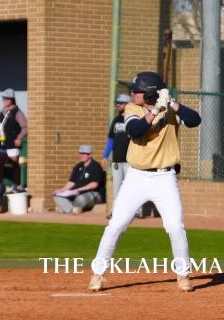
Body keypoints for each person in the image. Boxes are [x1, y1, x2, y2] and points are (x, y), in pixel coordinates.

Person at [89, 71, 201, 292]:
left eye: (137, 90)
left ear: (149, 92)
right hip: (137, 177)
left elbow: (195, 120)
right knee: (116, 225)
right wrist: (155, 112)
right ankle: (98, 274)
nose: (133, 93)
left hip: (165, 178)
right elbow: (135, 129)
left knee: (175, 227)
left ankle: (183, 275)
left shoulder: (170, 110)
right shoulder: (133, 109)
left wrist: (172, 105)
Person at [101, 93, 143, 220]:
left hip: (131, 160)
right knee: (117, 187)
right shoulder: (116, 120)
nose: (118, 105)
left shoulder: (135, 118)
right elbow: (110, 139)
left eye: (121, 103)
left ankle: (137, 211)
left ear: (128, 104)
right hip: (117, 159)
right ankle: (116, 211)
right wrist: (105, 155)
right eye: (117, 103)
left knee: (132, 185)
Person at [0, 88, 28, 195]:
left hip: (13, 144)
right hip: (2, 143)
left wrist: (19, 138)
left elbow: (25, 127)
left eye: (7, 98)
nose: (5, 100)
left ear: (12, 99)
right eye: (4, 98)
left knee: (14, 166)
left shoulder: (18, 113)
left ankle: (15, 186)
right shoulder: (1, 112)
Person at [52, 145, 104, 214]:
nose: (81, 155)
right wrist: (61, 190)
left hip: (93, 194)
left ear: (90, 155)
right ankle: (72, 210)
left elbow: (94, 184)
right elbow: (71, 182)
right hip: (75, 193)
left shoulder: (96, 166)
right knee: (56, 195)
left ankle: (66, 208)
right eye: (80, 153)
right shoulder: (78, 166)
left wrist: (78, 190)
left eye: (84, 154)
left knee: (81, 198)